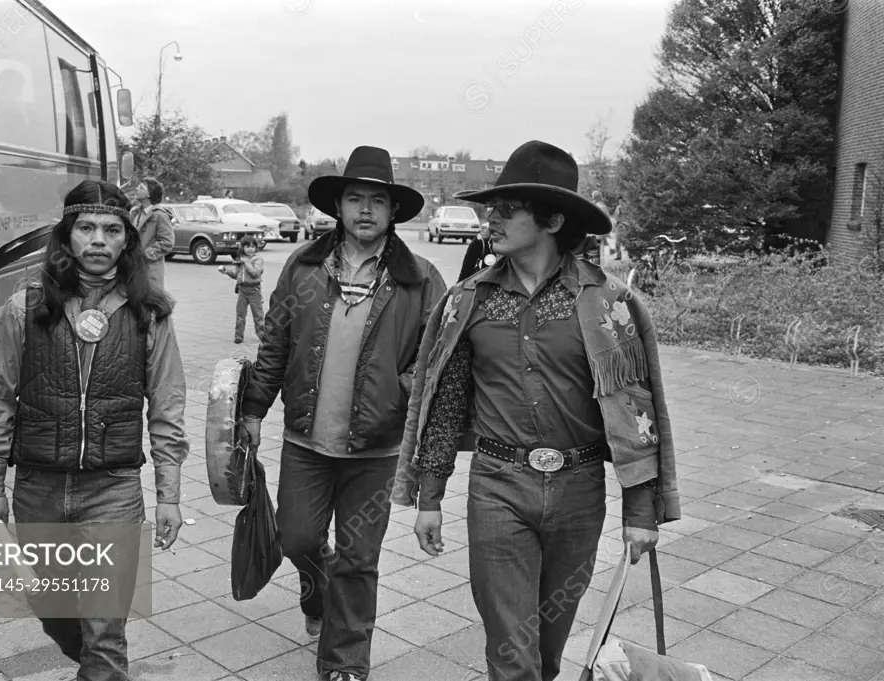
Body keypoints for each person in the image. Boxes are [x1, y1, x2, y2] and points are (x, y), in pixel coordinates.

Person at [391, 141, 681, 681]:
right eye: (489, 209)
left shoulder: (608, 304)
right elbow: (444, 404)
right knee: (511, 651)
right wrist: (428, 497)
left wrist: (641, 512)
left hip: (578, 493)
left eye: (507, 209)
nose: (490, 220)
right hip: (497, 488)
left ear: (551, 218)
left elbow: (634, 412)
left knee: (547, 651)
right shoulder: (467, 301)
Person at [240, 146, 447, 681]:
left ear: (394, 211)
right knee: (298, 539)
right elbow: (275, 343)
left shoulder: (420, 279)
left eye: (378, 200)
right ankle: (318, 597)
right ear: (339, 205)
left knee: (358, 559)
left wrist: (399, 395)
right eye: (355, 198)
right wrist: (254, 408)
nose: (365, 210)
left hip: (376, 451)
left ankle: (345, 662)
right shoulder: (304, 266)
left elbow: (436, 362)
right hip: (307, 440)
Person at [0, 180, 189, 681]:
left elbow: (168, 405)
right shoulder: (25, 307)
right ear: (67, 236)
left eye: (112, 230)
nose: (98, 240)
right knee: (54, 610)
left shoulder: (149, 313)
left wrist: (169, 495)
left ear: (126, 241)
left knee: (105, 632)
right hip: (38, 488)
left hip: (112, 490)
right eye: (86, 228)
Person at [130, 176, 175, 290]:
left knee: (149, 302)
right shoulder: (134, 212)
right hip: (131, 268)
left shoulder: (160, 215)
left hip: (149, 270)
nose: (137, 189)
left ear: (150, 194)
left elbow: (167, 242)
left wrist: (144, 255)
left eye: (141, 187)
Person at [218, 235, 265, 344]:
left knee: (258, 315)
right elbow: (236, 274)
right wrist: (226, 271)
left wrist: (246, 263)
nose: (250, 249)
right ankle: (238, 336)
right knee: (240, 315)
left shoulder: (258, 259)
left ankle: (262, 335)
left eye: (253, 247)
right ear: (242, 247)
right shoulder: (240, 259)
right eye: (247, 246)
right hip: (242, 290)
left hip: (254, 289)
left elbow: (255, 273)